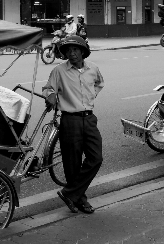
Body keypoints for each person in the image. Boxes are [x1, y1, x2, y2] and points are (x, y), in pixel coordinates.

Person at [42, 36, 104, 214]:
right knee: (72, 163)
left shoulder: (93, 68)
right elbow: (48, 88)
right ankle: (80, 199)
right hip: (70, 119)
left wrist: (90, 96)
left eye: (76, 49)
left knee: (96, 158)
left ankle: (69, 193)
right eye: (68, 50)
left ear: (83, 51)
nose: (72, 53)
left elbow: (100, 83)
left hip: (89, 118)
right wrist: (51, 95)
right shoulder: (59, 71)